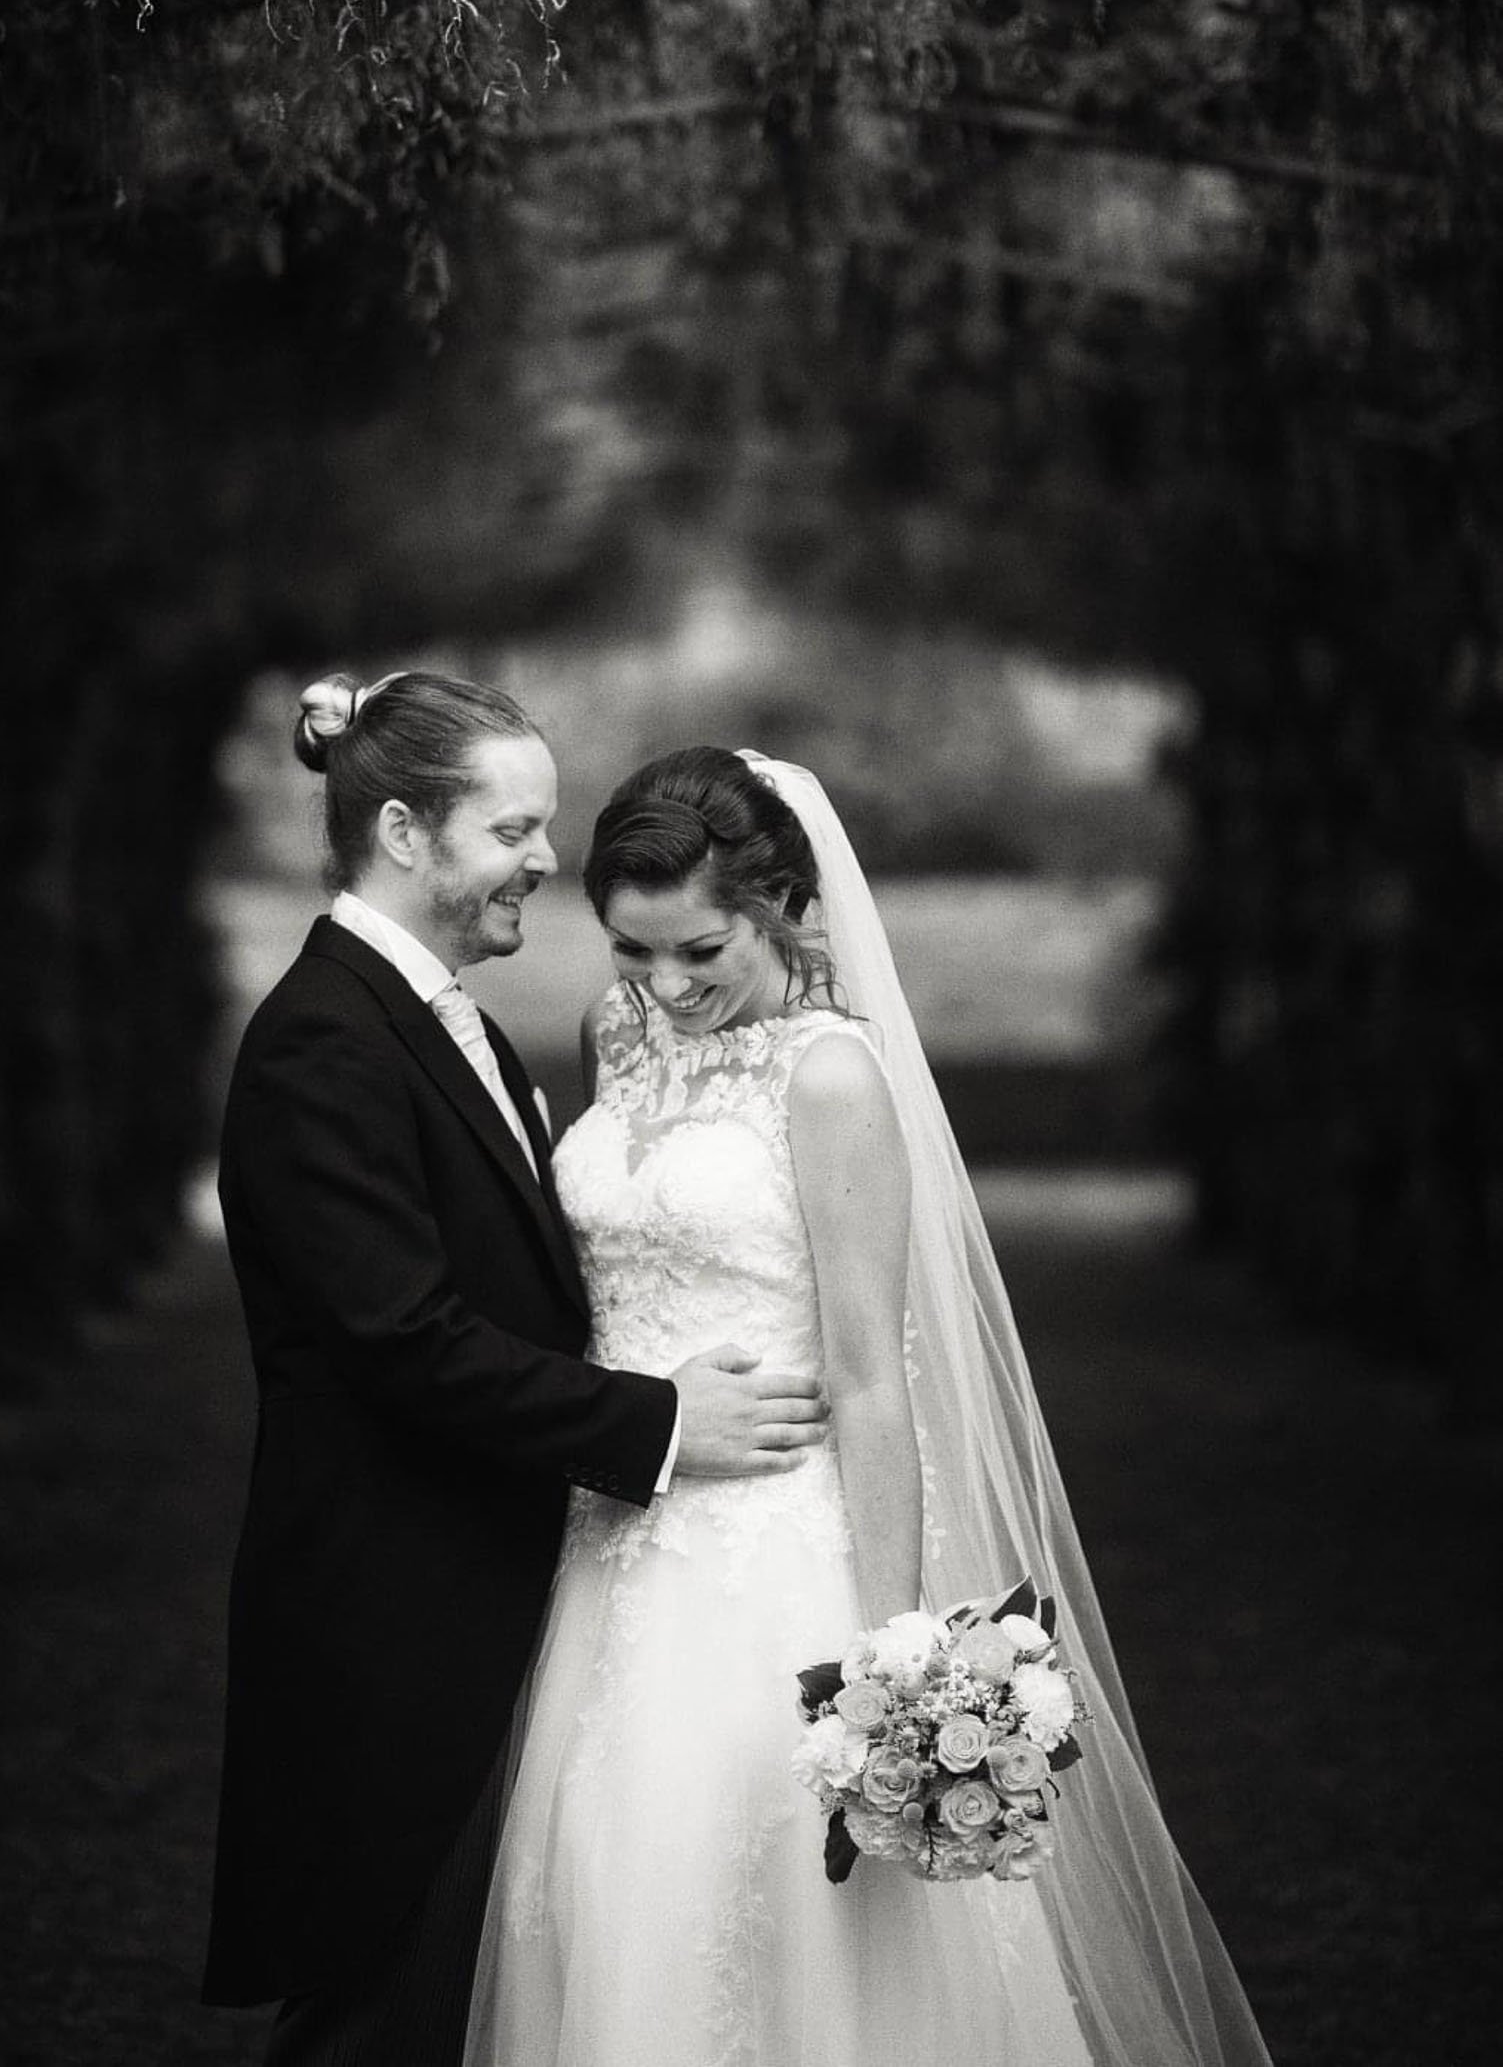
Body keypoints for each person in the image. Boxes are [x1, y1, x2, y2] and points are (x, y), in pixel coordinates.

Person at [464, 746, 1273, 2067]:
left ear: (783, 907)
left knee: (773, 1918)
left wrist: (889, 1666)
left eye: (703, 950)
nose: (668, 991)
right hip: (613, 1543)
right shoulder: (617, 1035)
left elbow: (870, 1376)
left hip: (773, 1555)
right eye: (632, 953)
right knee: (609, 1883)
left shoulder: (832, 1080)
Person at [201, 678, 829, 2066]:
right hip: (388, 1614)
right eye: (515, 826)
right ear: (408, 835)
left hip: (527, 1589)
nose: (547, 858)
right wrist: (660, 1421)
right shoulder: (324, 1041)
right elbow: (402, 1337)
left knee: (467, 1993)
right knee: (374, 2002)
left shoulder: (455, 1023)